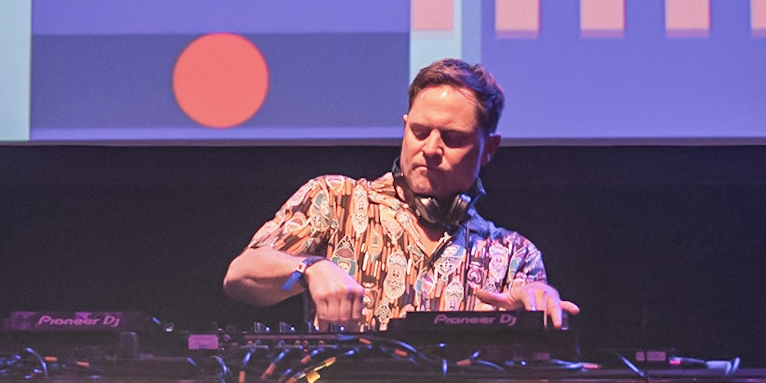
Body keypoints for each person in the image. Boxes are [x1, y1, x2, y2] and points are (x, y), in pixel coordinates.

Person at [223, 59, 578, 331]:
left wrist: (533, 314)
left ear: (489, 149)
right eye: (420, 132)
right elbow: (239, 275)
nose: (431, 149)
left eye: (453, 138)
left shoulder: (515, 254)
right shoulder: (335, 199)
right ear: (405, 127)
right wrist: (311, 267)